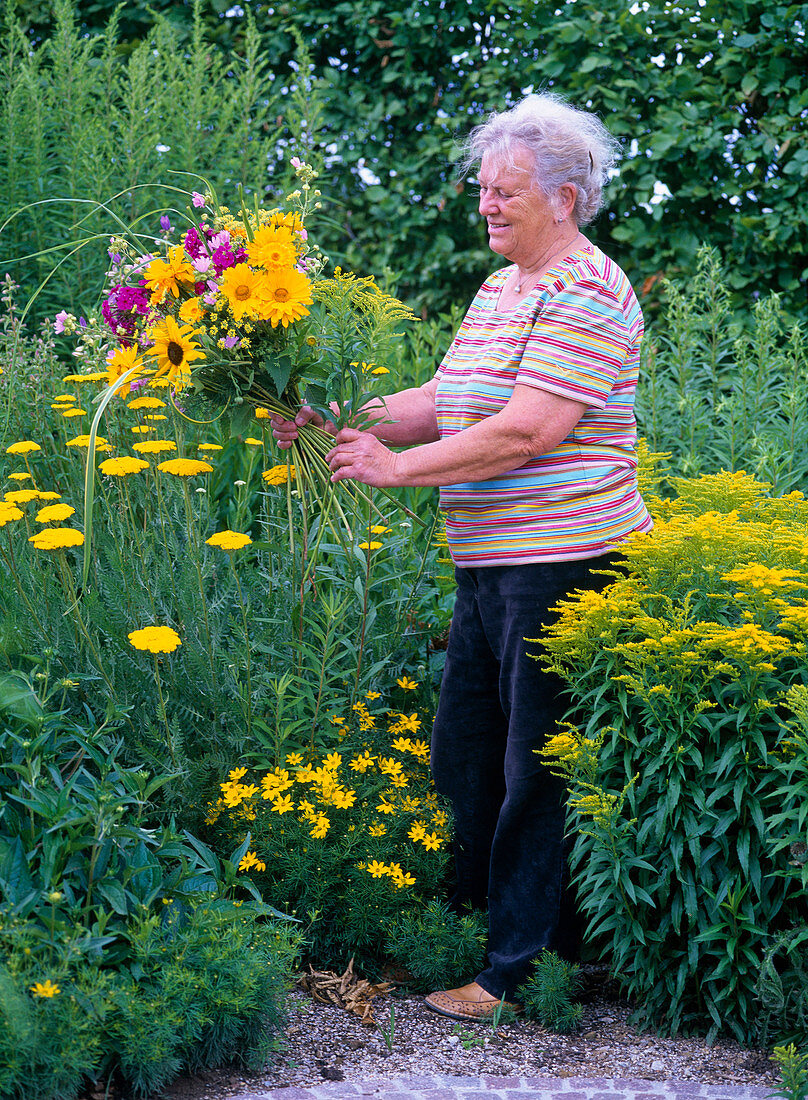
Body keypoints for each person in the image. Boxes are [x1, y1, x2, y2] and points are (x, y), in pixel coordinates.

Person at [272, 92, 652, 1021]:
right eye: (481, 188)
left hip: (568, 560)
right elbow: (449, 395)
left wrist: (395, 469)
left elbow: (527, 431)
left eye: (505, 191)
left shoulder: (588, 289)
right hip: (490, 564)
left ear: (565, 197)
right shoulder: (502, 288)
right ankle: (497, 939)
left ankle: (518, 972)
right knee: (467, 756)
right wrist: (335, 421)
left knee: (536, 768)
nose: (485, 204)